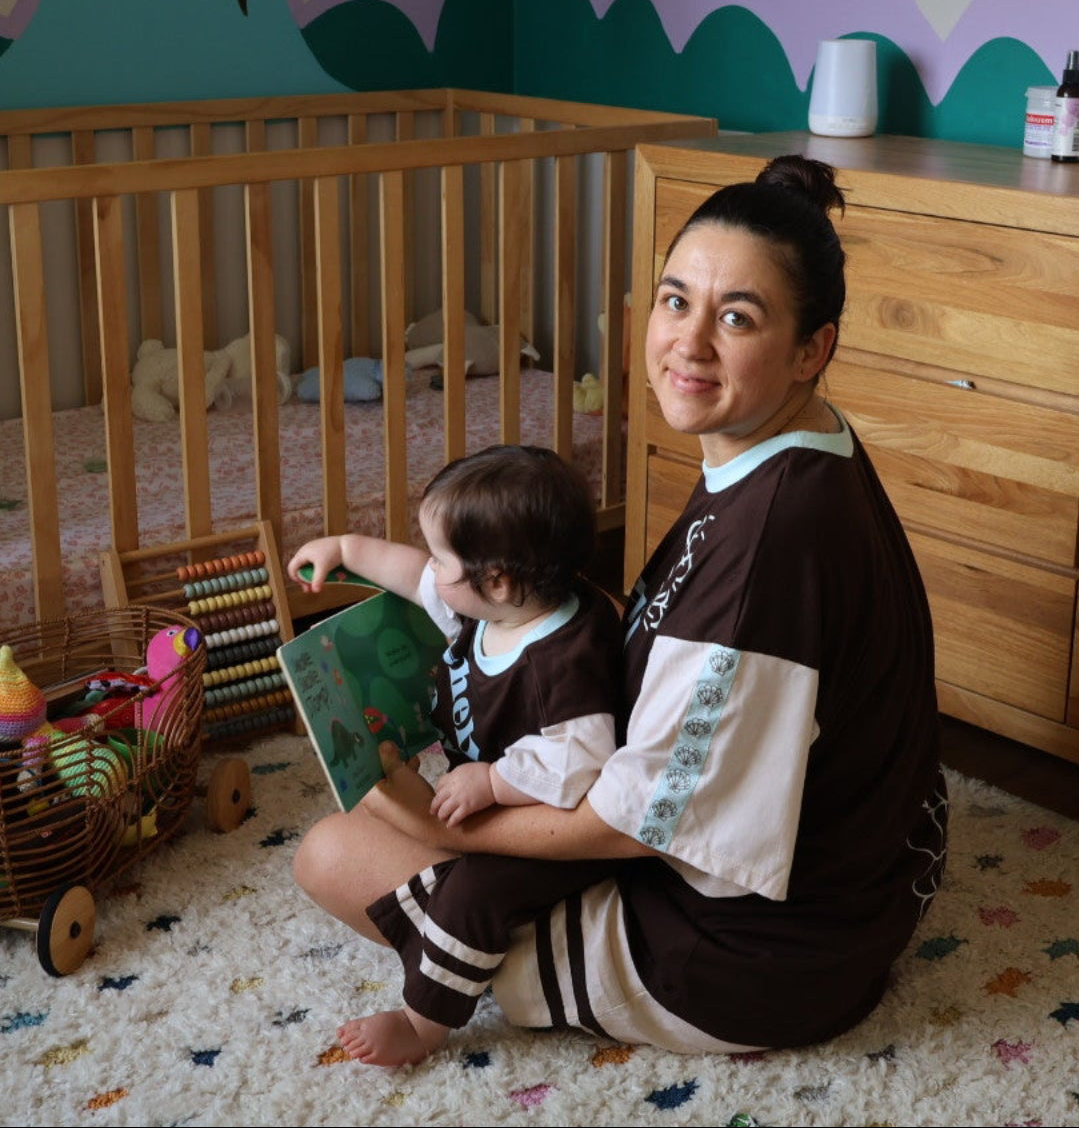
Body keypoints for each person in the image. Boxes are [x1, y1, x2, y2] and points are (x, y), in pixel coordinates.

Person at [293, 154, 947, 1058]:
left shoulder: (770, 539)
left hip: (754, 958)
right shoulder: (790, 446)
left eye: (738, 317)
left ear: (812, 349)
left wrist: (430, 815)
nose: (690, 342)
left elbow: (632, 822)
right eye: (677, 302)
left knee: (334, 848)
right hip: (865, 886)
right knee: (394, 807)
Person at [287, 444, 623, 1065]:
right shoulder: (496, 604)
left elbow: (581, 762)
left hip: (551, 836)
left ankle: (424, 1022)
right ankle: (468, 945)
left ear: (496, 578)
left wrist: (493, 782)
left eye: (445, 558)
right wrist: (346, 549)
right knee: (368, 834)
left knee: (474, 894)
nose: (432, 570)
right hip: (488, 799)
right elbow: (414, 575)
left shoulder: (563, 659)